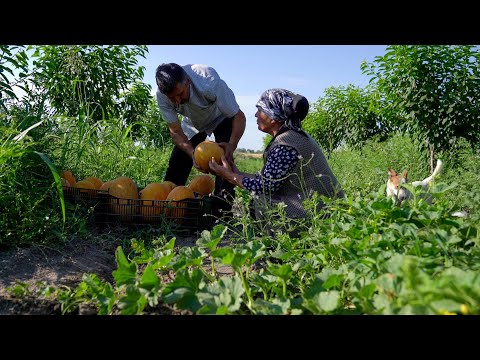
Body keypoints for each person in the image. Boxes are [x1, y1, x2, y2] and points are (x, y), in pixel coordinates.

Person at [208, 88, 345, 234]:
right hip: (323, 206)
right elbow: (268, 179)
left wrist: (229, 176)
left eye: (260, 110)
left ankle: (282, 244)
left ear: (272, 117)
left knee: (262, 202)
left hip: (322, 213)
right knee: (261, 200)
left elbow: (265, 187)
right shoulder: (290, 137)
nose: (255, 114)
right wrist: (236, 172)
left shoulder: (286, 145)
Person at [155, 63, 246, 214]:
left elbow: (238, 116)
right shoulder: (162, 96)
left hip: (220, 116)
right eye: (173, 98)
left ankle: (221, 211)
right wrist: (192, 154)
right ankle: (168, 208)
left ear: (187, 82)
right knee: (178, 161)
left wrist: (232, 144)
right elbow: (176, 132)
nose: (177, 101)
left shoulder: (208, 81)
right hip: (193, 122)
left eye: (180, 94)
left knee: (224, 160)